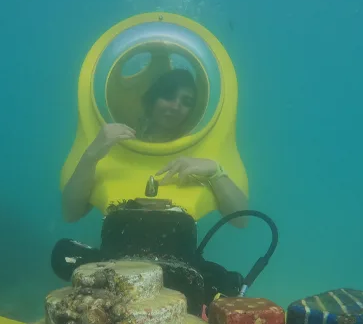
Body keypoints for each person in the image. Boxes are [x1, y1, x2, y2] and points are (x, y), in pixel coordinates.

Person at [61, 68, 249, 227]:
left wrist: (215, 173)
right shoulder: (114, 143)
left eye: (186, 102)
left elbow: (242, 220)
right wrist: (92, 155)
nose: (176, 106)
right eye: (168, 95)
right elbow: (71, 213)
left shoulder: (200, 152)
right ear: (152, 98)